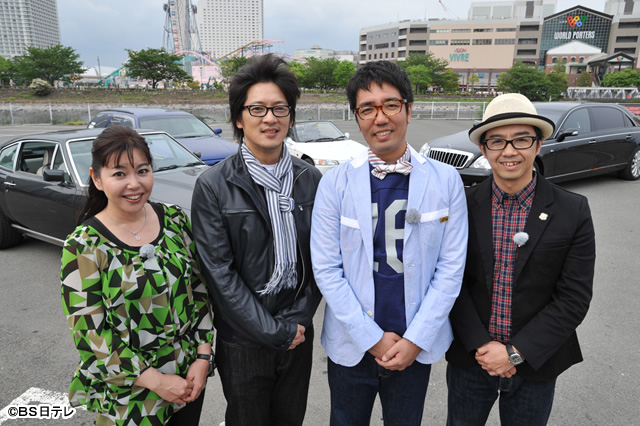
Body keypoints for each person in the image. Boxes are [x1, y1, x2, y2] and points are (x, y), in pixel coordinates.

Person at [311, 60, 468, 426]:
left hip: (414, 343)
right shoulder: (334, 183)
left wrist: (416, 339)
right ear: (357, 118)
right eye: (367, 109)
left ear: (409, 110)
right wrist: (371, 337)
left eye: (391, 105)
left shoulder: (446, 180)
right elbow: (327, 269)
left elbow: (450, 268)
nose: (380, 118)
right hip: (352, 343)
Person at [445, 93, 596, 425]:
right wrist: (482, 346)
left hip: (536, 363)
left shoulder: (572, 210)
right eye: (497, 141)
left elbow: (573, 298)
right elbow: (449, 281)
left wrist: (514, 353)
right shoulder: (462, 206)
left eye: (521, 139)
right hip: (472, 358)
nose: (509, 151)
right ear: (484, 148)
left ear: (538, 145)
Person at [191, 54, 323, 426]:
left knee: (290, 420)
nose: (270, 118)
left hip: (298, 334)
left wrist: (297, 321)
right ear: (239, 118)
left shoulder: (310, 179)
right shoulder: (213, 186)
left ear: (291, 117)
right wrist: (273, 330)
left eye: (280, 109)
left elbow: (322, 259)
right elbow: (219, 273)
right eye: (258, 109)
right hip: (243, 340)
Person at [61, 126, 214, 425]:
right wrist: (156, 381)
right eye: (119, 173)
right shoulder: (84, 245)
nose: (134, 183)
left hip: (188, 378)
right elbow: (90, 334)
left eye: (142, 171)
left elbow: (199, 291)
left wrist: (203, 356)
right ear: (96, 178)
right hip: (129, 393)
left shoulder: (174, 220)